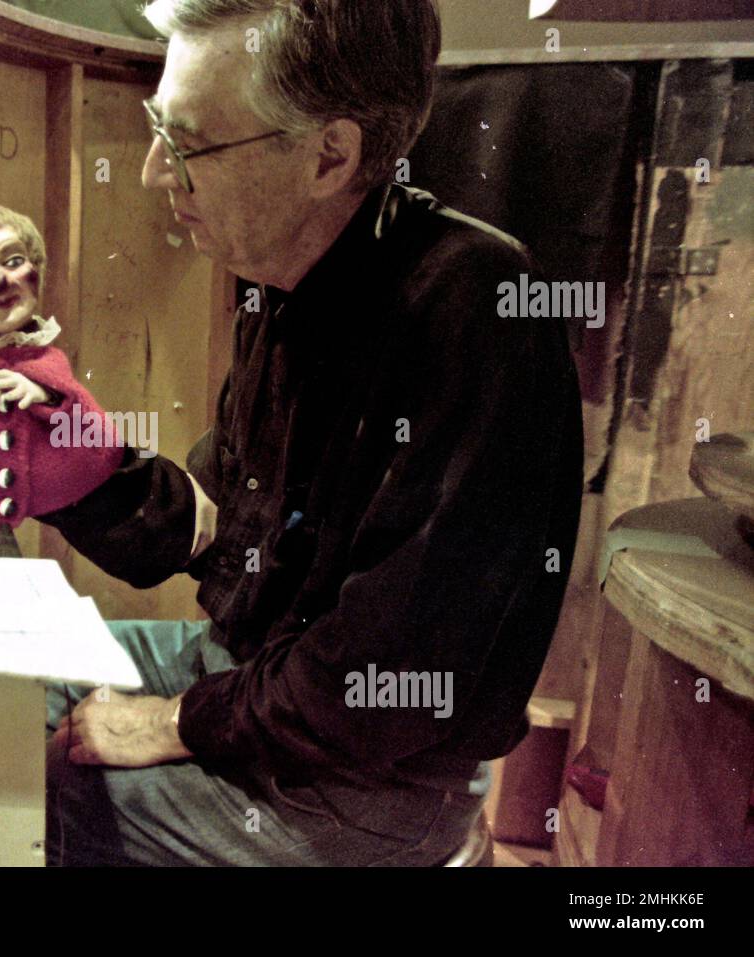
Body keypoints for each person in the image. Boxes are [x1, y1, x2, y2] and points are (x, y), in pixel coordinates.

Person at [38, 0, 584, 866]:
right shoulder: (279, 277)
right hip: (254, 676)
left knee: (47, 778)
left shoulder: (475, 308)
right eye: (156, 129)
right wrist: (68, 472)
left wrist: (173, 722)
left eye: (187, 142)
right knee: (15, 687)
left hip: (371, 776)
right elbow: (219, 527)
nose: (152, 172)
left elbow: (383, 687)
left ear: (331, 154)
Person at [0, 206, 123, 527]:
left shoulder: (49, 360)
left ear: (37, 273)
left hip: (73, 503)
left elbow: (86, 419)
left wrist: (41, 393)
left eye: (13, 261)